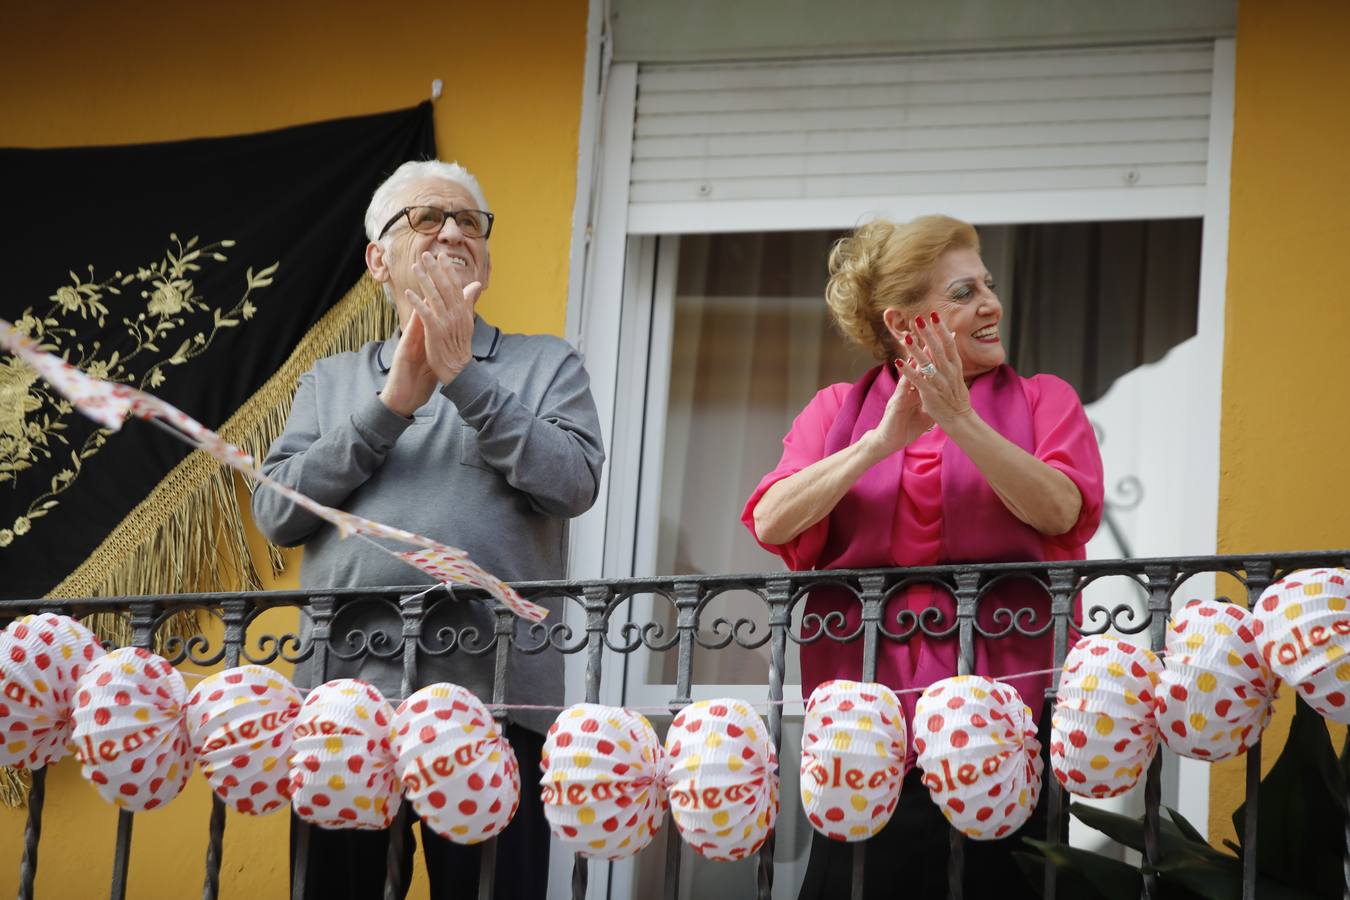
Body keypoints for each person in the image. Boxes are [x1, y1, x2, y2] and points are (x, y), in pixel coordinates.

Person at [252, 159, 605, 899]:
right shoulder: (330, 380)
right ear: (378, 259)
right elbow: (278, 513)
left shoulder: (546, 363)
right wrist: (390, 405)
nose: (451, 230)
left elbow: (572, 484)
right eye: (425, 218)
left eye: (468, 221)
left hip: (498, 700)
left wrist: (465, 378)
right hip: (347, 703)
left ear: (486, 252)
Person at [740, 215, 1103, 899]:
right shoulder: (837, 411)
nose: (992, 305)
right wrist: (877, 443)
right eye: (965, 293)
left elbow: (1061, 510)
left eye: (987, 285)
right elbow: (771, 519)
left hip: (1007, 726)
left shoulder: (1041, 400)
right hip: (867, 730)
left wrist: (960, 420)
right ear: (906, 324)